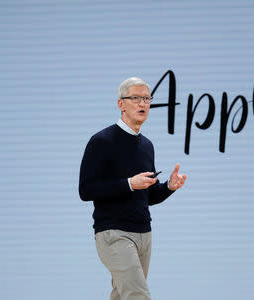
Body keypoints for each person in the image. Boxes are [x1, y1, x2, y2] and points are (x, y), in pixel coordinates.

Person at [79, 77, 187, 300]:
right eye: (136, 98)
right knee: (138, 296)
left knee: (122, 296)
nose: (143, 104)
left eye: (147, 99)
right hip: (113, 233)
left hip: (144, 234)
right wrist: (129, 183)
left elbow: (149, 195)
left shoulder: (146, 145)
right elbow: (86, 190)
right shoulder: (101, 141)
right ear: (121, 104)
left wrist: (169, 187)